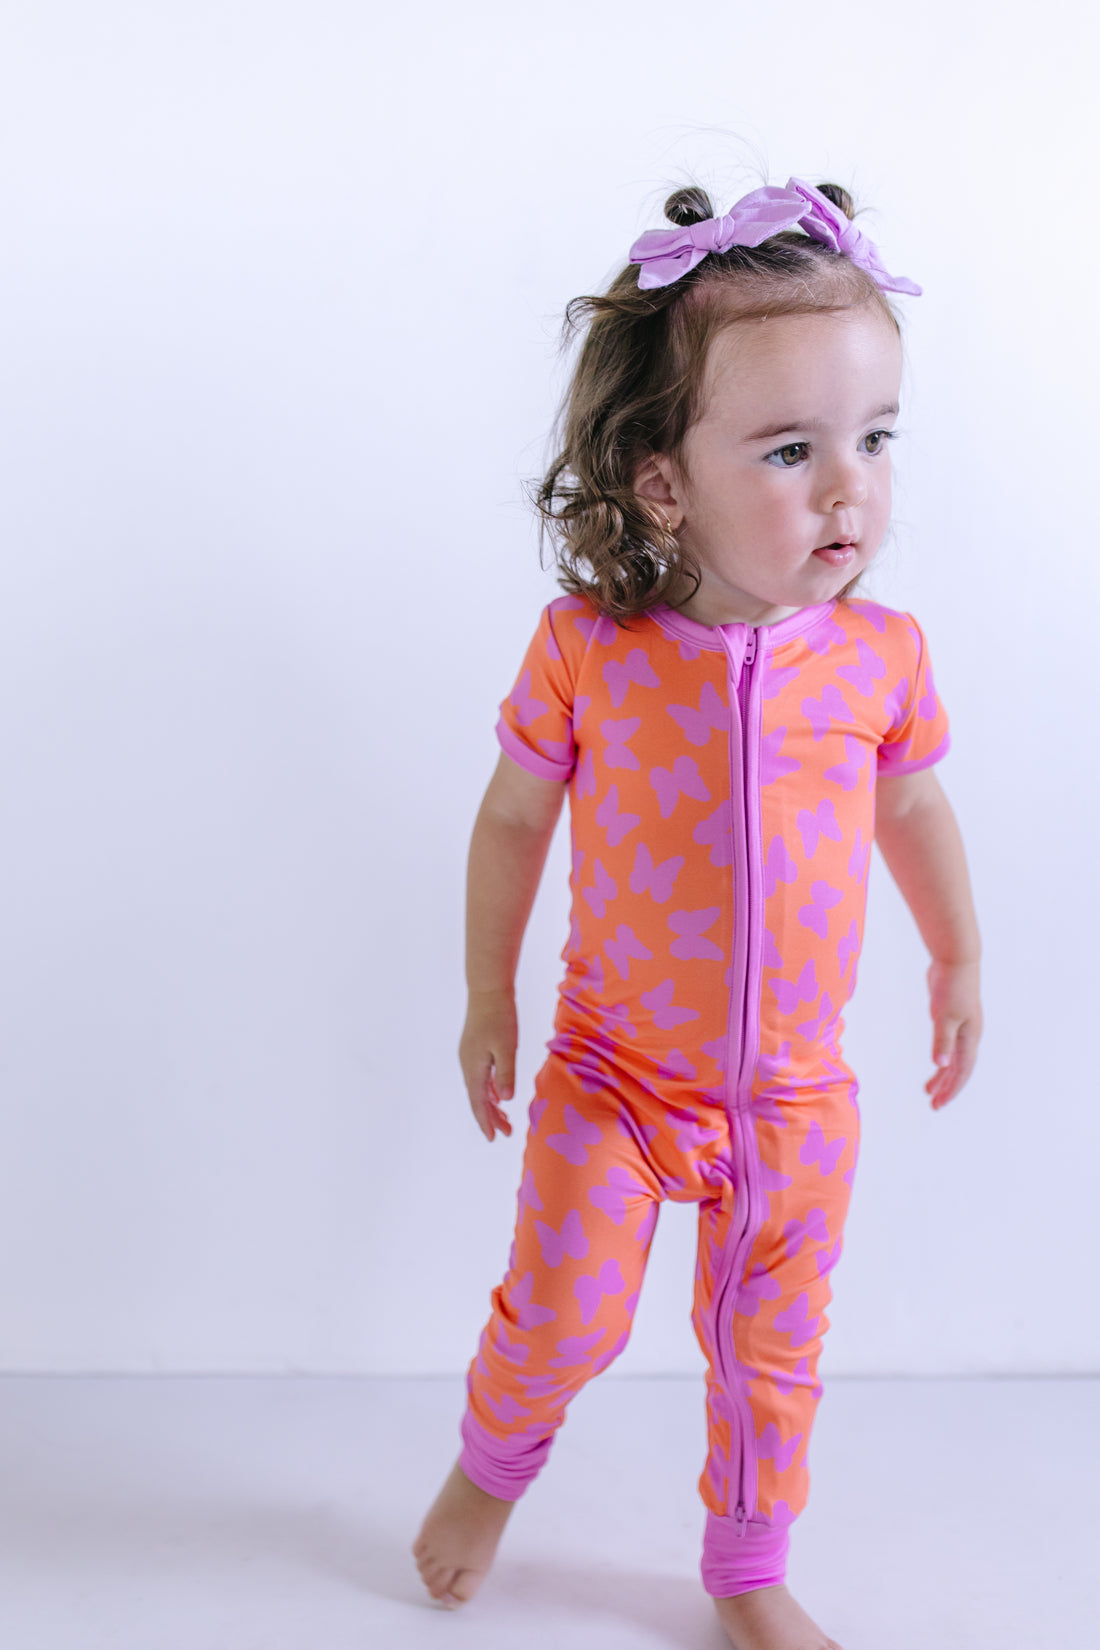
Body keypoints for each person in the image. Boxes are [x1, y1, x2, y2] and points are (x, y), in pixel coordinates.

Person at [411, 174, 983, 1650]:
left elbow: (913, 809)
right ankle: (490, 1467)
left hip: (793, 1092)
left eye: (876, 437)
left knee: (771, 1352)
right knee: (565, 1315)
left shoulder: (879, 657)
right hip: (615, 1074)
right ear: (661, 480)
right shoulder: (588, 651)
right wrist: (489, 994)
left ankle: (746, 1567)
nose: (849, 488)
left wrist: (958, 953)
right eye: (792, 449)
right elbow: (513, 818)